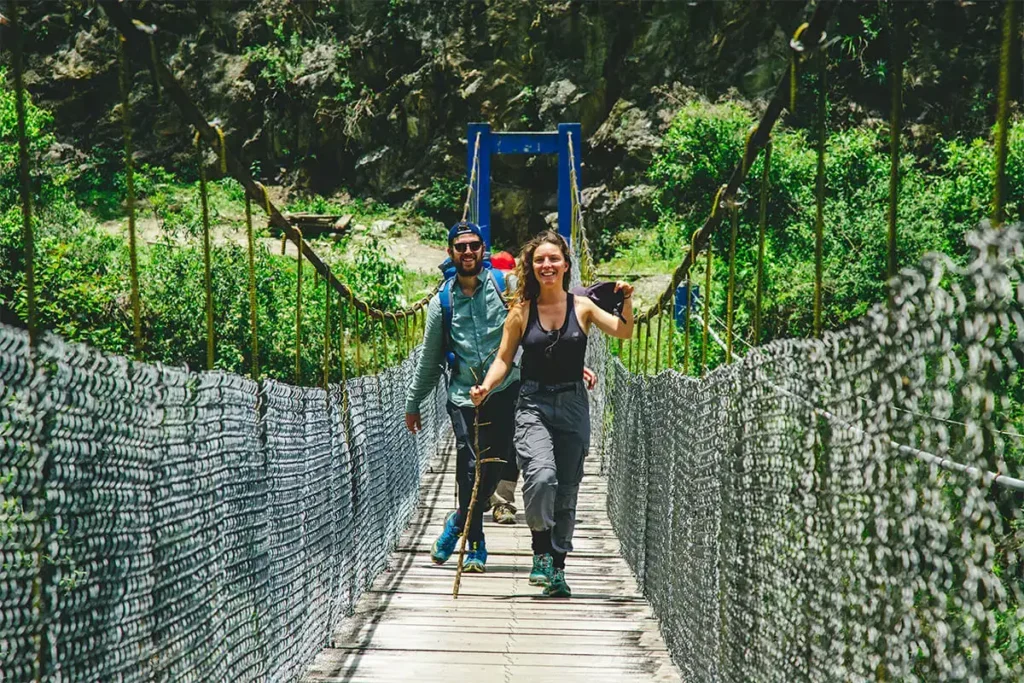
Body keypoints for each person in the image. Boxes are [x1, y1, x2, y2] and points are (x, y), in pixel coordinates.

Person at [470, 230, 633, 598]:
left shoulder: (583, 307)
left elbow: (623, 332)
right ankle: (540, 550)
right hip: (533, 403)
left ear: (566, 266)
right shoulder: (521, 311)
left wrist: (626, 300)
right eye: (540, 260)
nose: (547, 265)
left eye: (553, 259)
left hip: (573, 404)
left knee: (568, 490)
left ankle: (558, 567)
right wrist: (487, 387)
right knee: (541, 477)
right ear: (531, 265)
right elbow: (503, 358)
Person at [404, 221, 519, 573]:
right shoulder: (442, 301)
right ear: (450, 252)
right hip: (462, 395)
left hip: (504, 389)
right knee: (470, 466)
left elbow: (541, 320)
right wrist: (414, 401)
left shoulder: (506, 286)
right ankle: (476, 544)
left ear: (483, 250)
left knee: (498, 463)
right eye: (461, 247)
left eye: (474, 246)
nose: (467, 253)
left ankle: (456, 521)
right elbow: (430, 356)